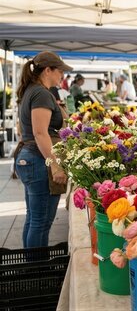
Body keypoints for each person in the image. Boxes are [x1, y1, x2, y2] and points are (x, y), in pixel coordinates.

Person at [14, 51, 71, 248]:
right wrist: (55, 165)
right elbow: (40, 133)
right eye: (60, 71)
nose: (62, 76)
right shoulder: (40, 93)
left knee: (34, 218)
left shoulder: (33, 90)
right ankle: (37, 272)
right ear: (48, 70)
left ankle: (32, 267)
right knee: (41, 222)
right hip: (39, 159)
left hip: (31, 157)